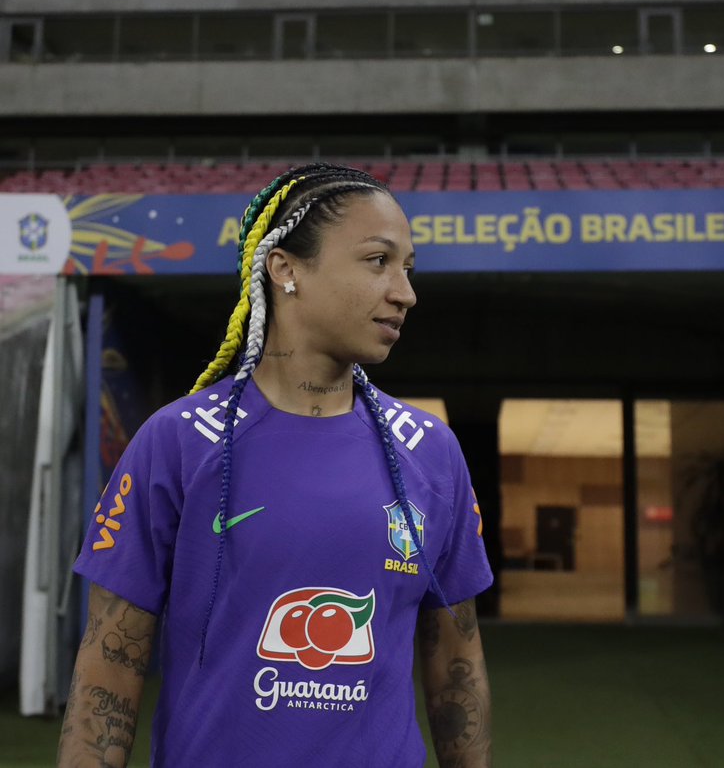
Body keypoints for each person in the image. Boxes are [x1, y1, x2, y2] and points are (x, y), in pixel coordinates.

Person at [57, 163, 493, 768]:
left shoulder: (431, 452)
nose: (404, 292)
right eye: (377, 261)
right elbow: (110, 662)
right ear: (286, 269)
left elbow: (457, 663)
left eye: (408, 269)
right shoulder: (179, 442)